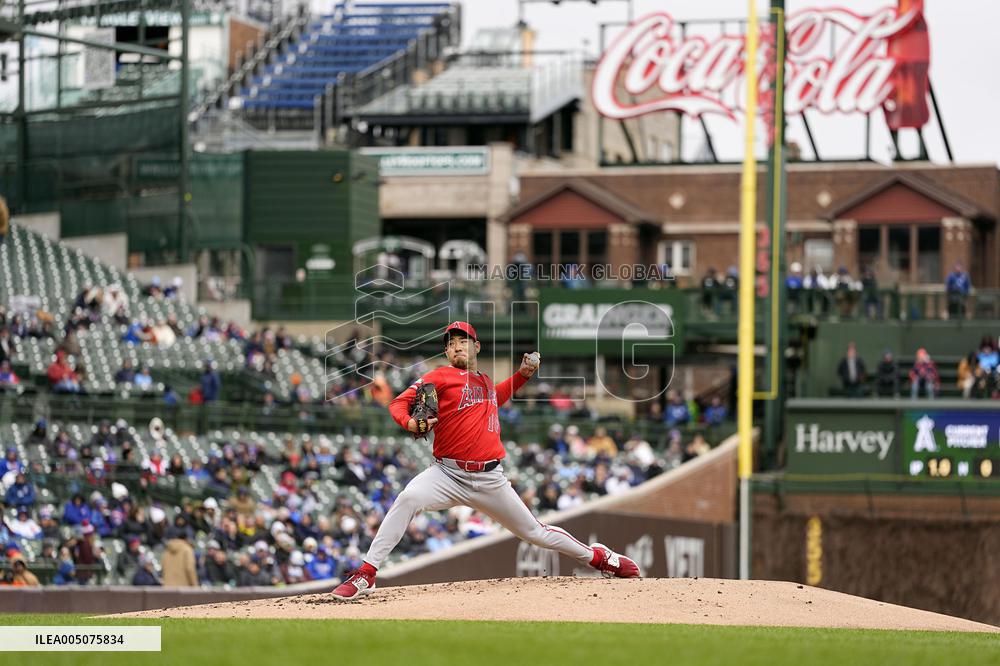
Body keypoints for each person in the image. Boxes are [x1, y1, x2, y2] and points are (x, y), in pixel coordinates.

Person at [330, 321, 640, 601]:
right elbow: (399, 404)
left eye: (462, 341)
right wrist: (410, 423)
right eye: (451, 343)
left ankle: (600, 558)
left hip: (490, 479)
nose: (456, 347)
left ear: (476, 347)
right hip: (447, 474)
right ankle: (367, 573)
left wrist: (522, 376)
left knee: (535, 533)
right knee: (408, 498)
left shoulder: (484, 382)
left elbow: (497, 396)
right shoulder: (439, 376)